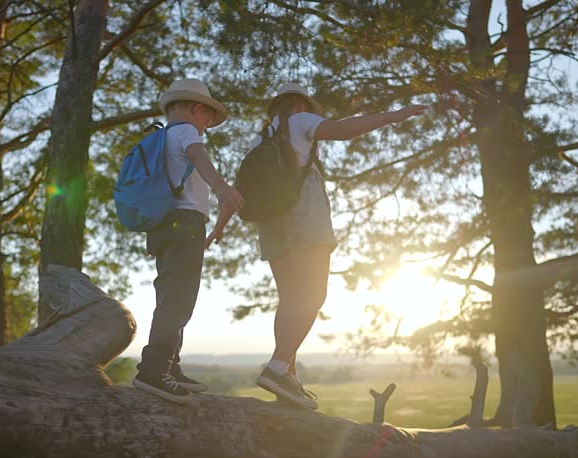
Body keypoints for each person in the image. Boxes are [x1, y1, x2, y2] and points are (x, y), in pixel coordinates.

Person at [205, 82, 426, 408]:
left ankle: (287, 380)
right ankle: (278, 368)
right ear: (300, 104)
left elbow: (239, 191)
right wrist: (393, 116)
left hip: (269, 223)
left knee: (291, 300)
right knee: (312, 296)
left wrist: (219, 228)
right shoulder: (299, 120)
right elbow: (342, 129)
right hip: (302, 215)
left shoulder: (259, 141)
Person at [133, 78, 244, 404]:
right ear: (197, 109)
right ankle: (154, 371)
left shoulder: (161, 136)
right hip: (185, 224)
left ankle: (170, 366)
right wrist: (223, 188)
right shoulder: (186, 131)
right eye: (207, 119)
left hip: (163, 225)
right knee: (180, 300)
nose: (206, 127)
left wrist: (217, 227)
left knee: (170, 296)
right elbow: (200, 158)